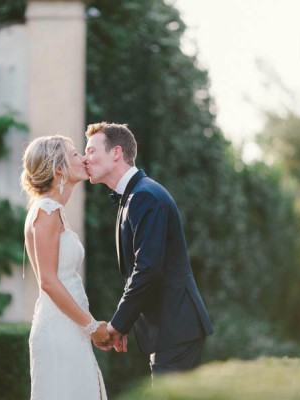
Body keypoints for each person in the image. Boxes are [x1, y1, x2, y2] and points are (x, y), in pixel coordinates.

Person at [84, 122, 213, 379]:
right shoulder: (135, 195)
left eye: (90, 151)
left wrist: (117, 324)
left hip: (175, 328)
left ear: (116, 153)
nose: (85, 159)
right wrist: (125, 324)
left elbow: (147, 269)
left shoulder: (144, 196)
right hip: (169, 329)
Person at [21, 135, 109, 399]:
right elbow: (47, 281)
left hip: (69, 326)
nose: (83, 158)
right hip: (60, 329)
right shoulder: (46, 211)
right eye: (74, 154)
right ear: (59, 168)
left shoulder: (53, 210)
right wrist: (92, 326)